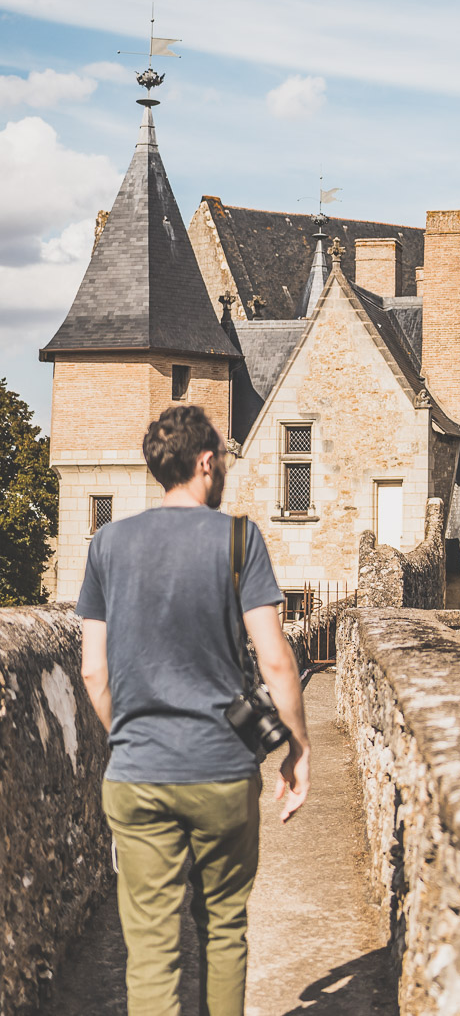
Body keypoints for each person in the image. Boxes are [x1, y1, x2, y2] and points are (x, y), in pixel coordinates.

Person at [77, 404, 311, 1016]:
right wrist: (298, 750)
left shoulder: (107, 542)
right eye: (223, 461)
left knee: (151, 950)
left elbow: (93, 671)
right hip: (221, 770)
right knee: (223, 930)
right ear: (205, 462)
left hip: (137, 773)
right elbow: (278, 661)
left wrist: (128, 736)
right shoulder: (238, 539)